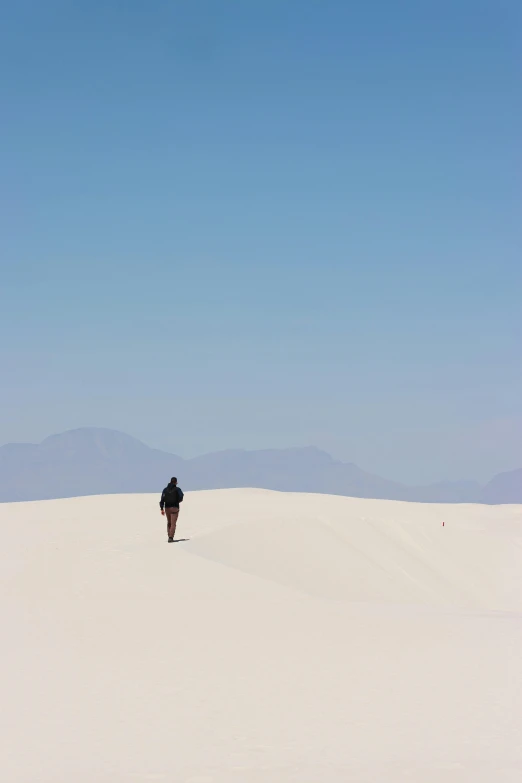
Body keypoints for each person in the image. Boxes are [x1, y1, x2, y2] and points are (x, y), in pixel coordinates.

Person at [160, 477, 184, 542]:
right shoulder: (177, 489)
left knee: (169, 522)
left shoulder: (165, 490)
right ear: (175, 482)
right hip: (175, 508)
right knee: (173, 523)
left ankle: (169, 535)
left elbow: (162, 499)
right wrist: (177, 501)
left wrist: (162, 509)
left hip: (167, 508)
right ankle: (171, 537)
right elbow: (181, 496)